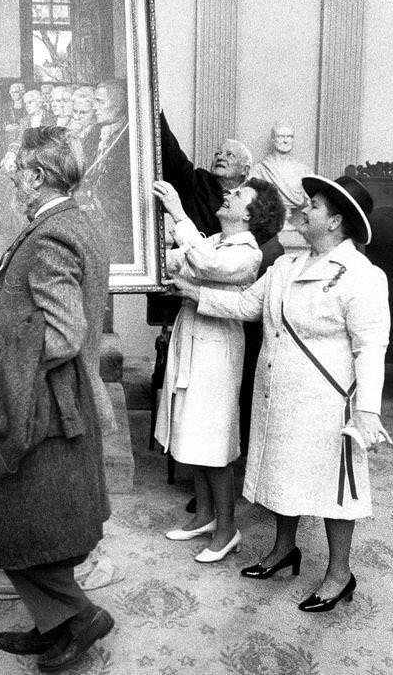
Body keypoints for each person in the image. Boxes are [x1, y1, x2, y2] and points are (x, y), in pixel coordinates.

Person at [168, 174, 390, 612]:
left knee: (334, 487)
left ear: (335, 222)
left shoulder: (362, 276)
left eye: (314, 205)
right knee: (282, 473)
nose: (303, 209)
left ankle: (339, 574)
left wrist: (367, 411)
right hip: (279, 394)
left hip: (327, 401)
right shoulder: (286, 266)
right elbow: (247, 306)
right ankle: (283, 549)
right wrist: (194, 292)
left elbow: (371, 346)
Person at [0, 126, 113, 671]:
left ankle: (79, 616)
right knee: (42, 520)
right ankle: (54, 623)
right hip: (58, 401)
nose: (13, 178)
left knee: (10, 521)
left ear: (38, 176)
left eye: (17, 170)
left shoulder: (50, 237)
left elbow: (63, 333)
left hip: (44, 405)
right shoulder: (75, 222)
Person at [153, 178, 285, 562]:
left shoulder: (248, 253)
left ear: (250, 215)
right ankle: (205, 517)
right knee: (192, 432)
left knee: (213, 441)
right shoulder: (214, 240)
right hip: (193, 338)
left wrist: (178, 212)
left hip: (217, 349)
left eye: (238, 195)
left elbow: (207, 265)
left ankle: (227, 530)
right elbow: (181, 260)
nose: (228, 194)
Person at [159, 111, 253, 237]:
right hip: (186, 248)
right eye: (217, 154)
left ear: (245, 170)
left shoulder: (250, 199)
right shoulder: (199, 181)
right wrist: (157, 113)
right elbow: (174, 155)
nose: (220, 157)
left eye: (229, 155)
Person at [77, 80, 132, 262]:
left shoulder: (129, 138)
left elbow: (123, 192)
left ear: (119, 105)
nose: (94, 107)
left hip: (114, 224)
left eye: (100, 101)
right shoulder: (94, 133)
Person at [251, 123, 310, 223]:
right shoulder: (260, 170)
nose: (286, 141)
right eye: (281, 136)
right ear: (273, 140)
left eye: (290, 137)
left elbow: (309, 198)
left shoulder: (303, 170)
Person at [0, 90, 53, 172]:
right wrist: (11, 154)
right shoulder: (24, 121)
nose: (27, 106)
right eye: (25, 104)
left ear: (39, 103)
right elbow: (19, 140)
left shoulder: (51, 118)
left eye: (30, 102)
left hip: (45, 156)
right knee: (6, 166)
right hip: (27, 154)